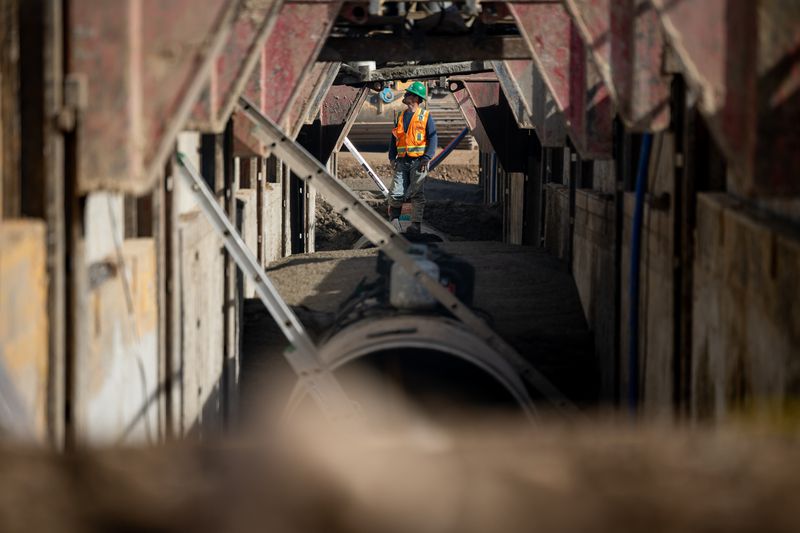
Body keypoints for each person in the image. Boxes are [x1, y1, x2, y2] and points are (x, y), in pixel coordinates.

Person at [388, 81, 438, 235]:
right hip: (402, 160)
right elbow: (394, 137)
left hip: (419, 162)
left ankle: (415, 225)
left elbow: (433, 138)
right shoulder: (401, 116)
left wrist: (427, 157)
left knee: (417, 194)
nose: (405, 95)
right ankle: (394, 222)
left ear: (415, 98)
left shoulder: (425, 116)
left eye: (408, 93)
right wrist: (391, 156)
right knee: (396, 192)